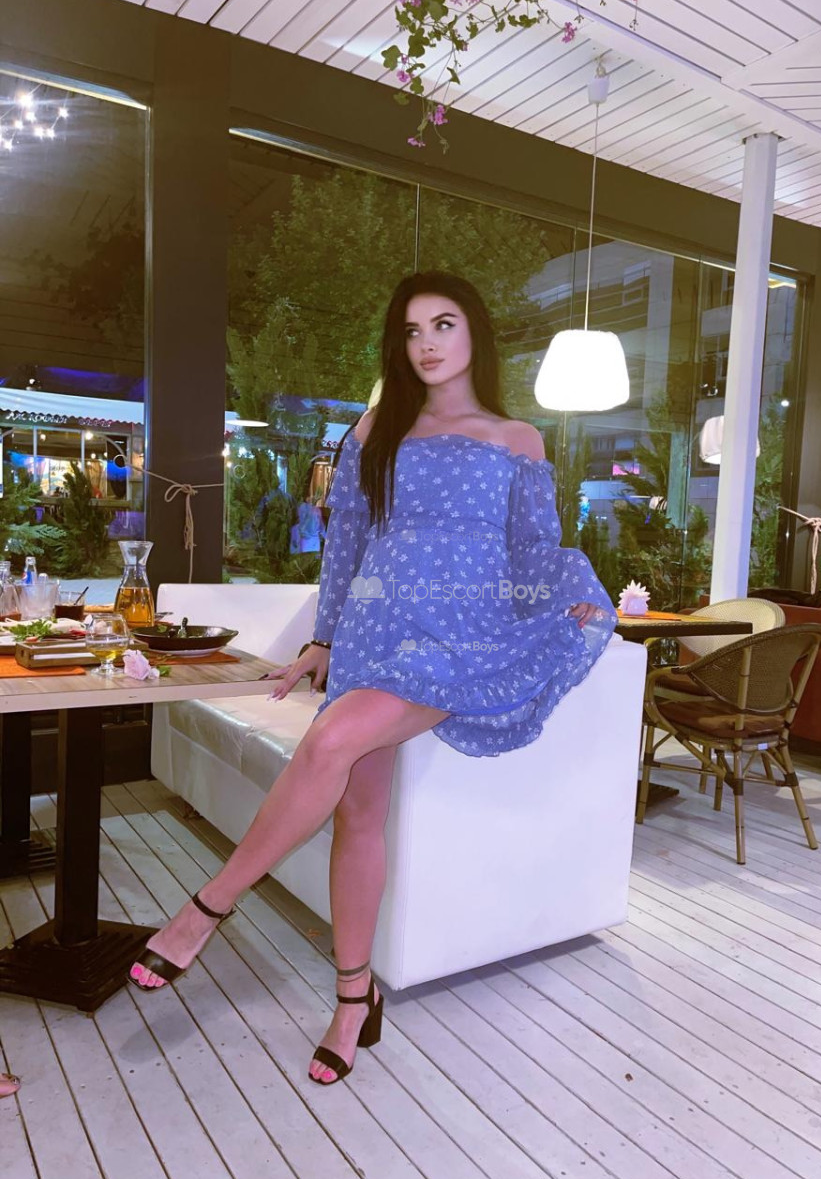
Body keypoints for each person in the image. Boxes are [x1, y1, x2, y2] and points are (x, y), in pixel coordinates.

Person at [126, 271, 617, 1087]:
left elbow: (533, 553)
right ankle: (356, 998)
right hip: (373, 629)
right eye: (412, 330)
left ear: (475, 332)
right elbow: (347, 544)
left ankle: (205, 909)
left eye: (444, 324)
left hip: (456, 638)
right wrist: (323, 639)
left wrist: (566, 605)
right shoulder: (374, 430)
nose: (427, 343)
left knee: (331, 741)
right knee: (360, 816)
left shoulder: (517, 440)